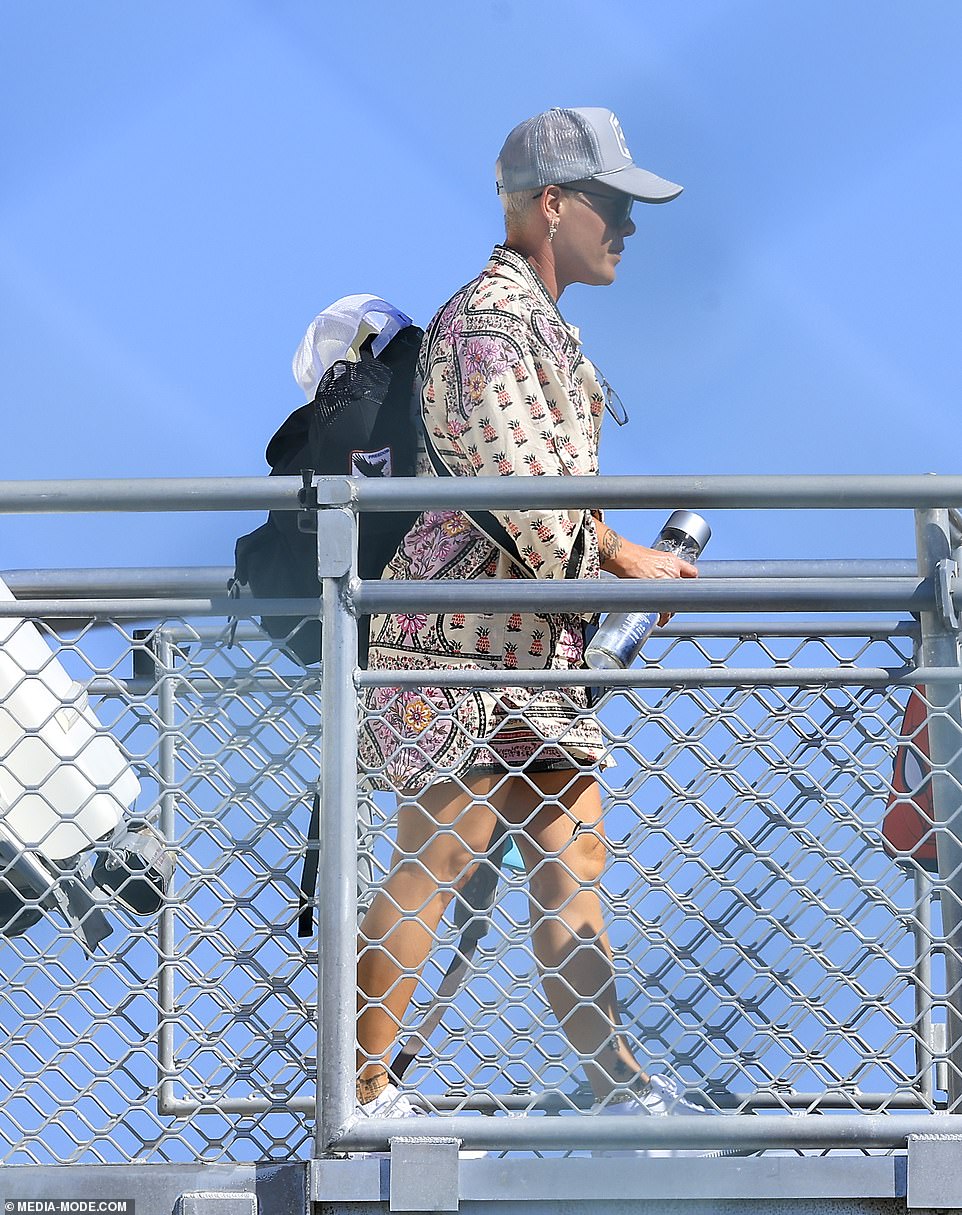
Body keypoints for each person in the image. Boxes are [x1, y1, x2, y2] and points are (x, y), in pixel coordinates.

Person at [356, 107, 717, 1151]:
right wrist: (620, 560)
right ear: (551, 205)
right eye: (611, 206)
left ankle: (617, 1085)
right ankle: (365, 1093)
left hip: (531, 652)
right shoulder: (491, 322)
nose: (627, 228)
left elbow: (545, 489)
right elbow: (521, 491)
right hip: (454, 647)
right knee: (437, 861)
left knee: (574, 869)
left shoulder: (533, 322)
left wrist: (607, 562)